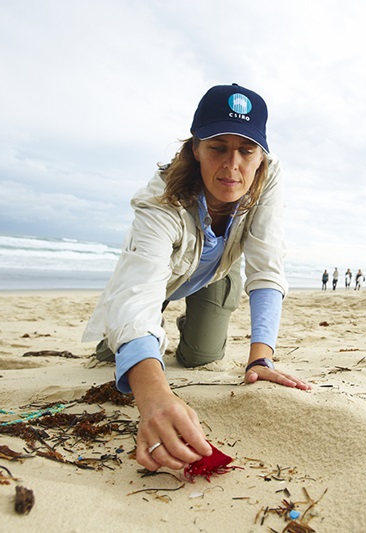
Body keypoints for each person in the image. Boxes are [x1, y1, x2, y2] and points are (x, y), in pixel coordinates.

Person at [82, 83, 311, 474]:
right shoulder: (160, 198)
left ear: (261, 156)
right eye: (217, 147)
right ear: (195, 148)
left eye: (246, 150)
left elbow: (266, 263)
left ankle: (190, 324)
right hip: (161, 281)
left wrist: (262, 357)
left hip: (215, 275)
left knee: (200, 356)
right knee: (117, 357)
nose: (232, 165)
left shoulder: (268, 179)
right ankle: (149, 332)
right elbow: (138, 290)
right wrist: (153, 398)